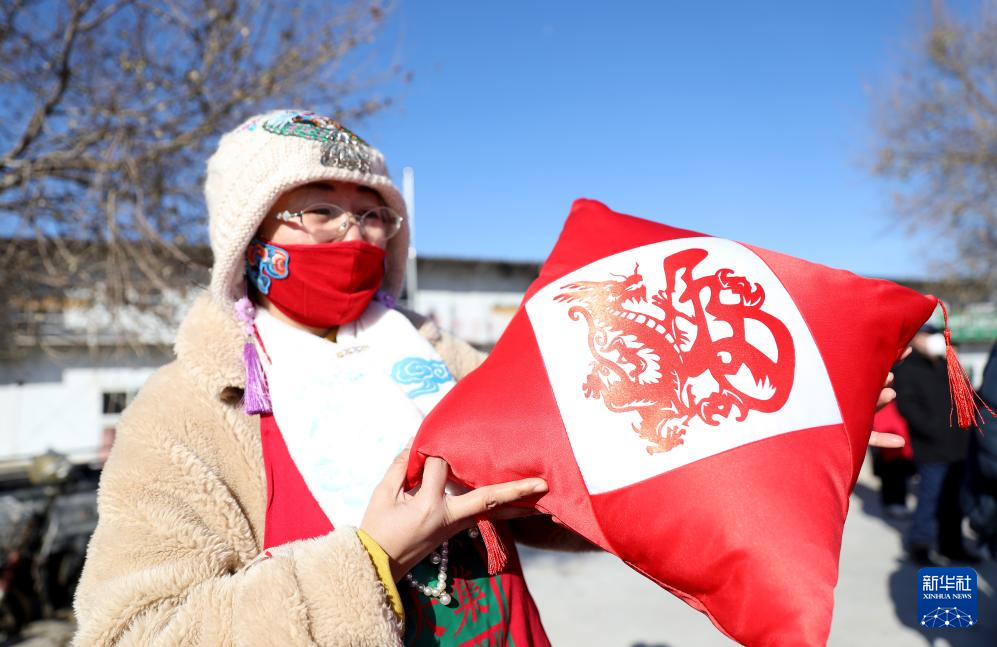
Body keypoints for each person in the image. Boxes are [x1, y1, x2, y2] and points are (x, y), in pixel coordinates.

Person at [72, 109, 907, 646]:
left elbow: (574, 480)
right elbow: (132, 630)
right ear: (253, 238)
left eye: (372, 213)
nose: (353, 234)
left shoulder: (439, 356)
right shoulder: (187, 409)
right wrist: (368, 560)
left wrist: (767, 431)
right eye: (318, 209)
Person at [894, 324, 978, 565]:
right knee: (930, 498)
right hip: (931, 448)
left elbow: (967, 395)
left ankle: (952, 545)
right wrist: (933, 429)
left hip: (959, 446)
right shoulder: (907, 368)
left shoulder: (946, 364)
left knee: (954, 501)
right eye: (928, 336)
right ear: (916, 339)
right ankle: (920, 545)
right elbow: (908, 407)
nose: (933, 341)